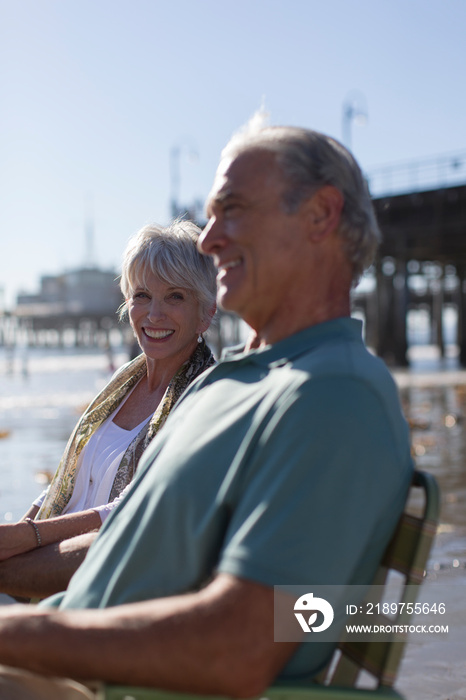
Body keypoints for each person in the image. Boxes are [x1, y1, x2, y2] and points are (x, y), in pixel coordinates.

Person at [0, 120, 414, 699]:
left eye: (233, 210)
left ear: (321, 215)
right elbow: (124, 537)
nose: (211, 238)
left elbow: (237, 646)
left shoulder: (331, 395)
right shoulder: (231, 386)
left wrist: (18, 633)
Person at [0, 219, 216, 592]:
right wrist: (20, 529)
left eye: (175, 296)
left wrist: (31, 536)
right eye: (143, 295)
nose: (154, 314)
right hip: (50, 558)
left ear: (207, 312)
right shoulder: (120, 386)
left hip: (100, 583)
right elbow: (73, 480)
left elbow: (138, 509)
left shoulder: (205, 398)